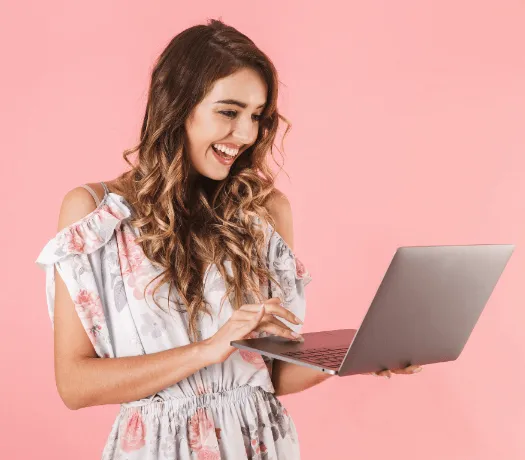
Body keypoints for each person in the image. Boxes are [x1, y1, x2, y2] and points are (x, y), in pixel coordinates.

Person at [35, 18, 422, 460]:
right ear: (178, 105)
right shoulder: (97, 215)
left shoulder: (265, 212)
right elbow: (74, 385)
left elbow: (266, 376)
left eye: (256, 116)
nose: (246, 134)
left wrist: (352, 357)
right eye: (229, 112)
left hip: (260, 444)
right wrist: (208, 350)